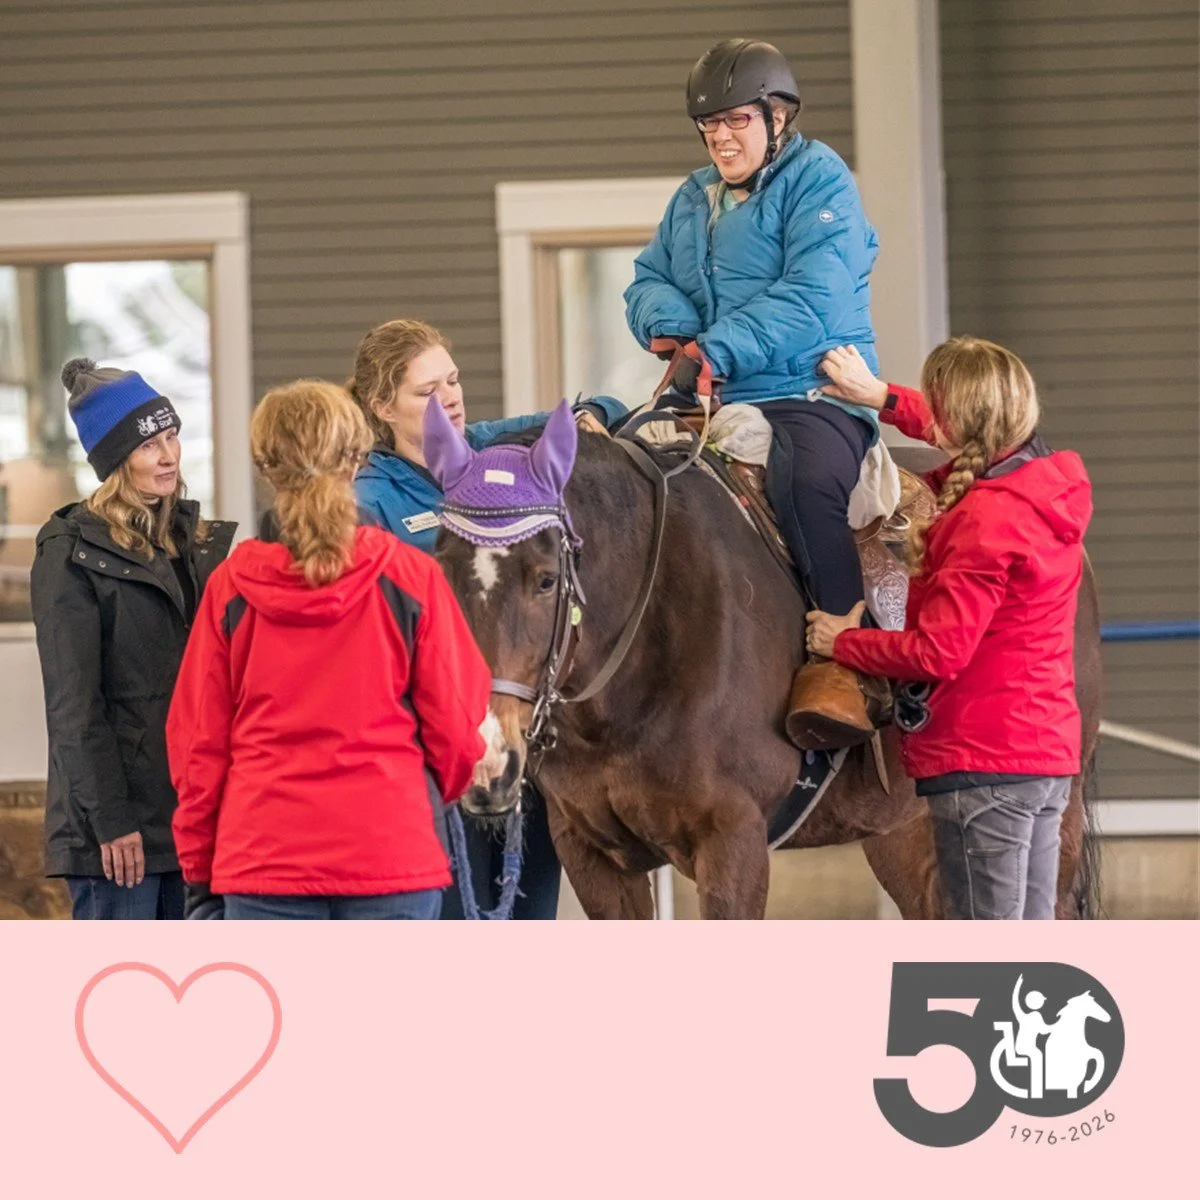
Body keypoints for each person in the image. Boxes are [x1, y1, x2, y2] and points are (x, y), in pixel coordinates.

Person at [623, 37, 887, 751]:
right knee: (617, 463)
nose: (720, 137)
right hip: (710, 387)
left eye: (736, 121)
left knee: (804, 482)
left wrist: (714, 348)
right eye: (709, 126)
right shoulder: (691, 195)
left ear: (777, 119)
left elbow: (812, 295)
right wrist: (673, 329)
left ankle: (845, 659)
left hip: (812, 390)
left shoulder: (821, 182)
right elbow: (647, 279)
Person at [167, 381, 493, 920]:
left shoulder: (230, 588)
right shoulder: (410, 577)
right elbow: (460, 730)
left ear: (266, 467)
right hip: (392, 853)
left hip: (264, 860)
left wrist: (199, 869)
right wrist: (418, 797)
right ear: (357, 459)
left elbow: (197, 747)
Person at [347, 318, 627, 919]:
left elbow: (595, 407)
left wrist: (591, 416)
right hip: (433, 757)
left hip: (519, 736)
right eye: (426, 391)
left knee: (528, 919)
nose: (448, 398)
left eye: (452, 380)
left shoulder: (484, 448)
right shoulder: (369, 502)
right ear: (381, 406)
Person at [808, 338, 1093, 920]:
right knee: (1024, 944)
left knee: (979, 952)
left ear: (957, 418)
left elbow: (938, 652)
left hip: (982, 763)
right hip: (1041, 758)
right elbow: (961, 435)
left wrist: (842, 642)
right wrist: (885, 399)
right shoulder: (1042, 489)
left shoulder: (983, 520)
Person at [32, 357, 235, 919]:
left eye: (171, 437)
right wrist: (112, 822)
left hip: (188, 816)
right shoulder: (69, 552)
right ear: (117, 460)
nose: (169, 456)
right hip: (116, 836)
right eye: (149, 446)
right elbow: (74, 706)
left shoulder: (194, 546)